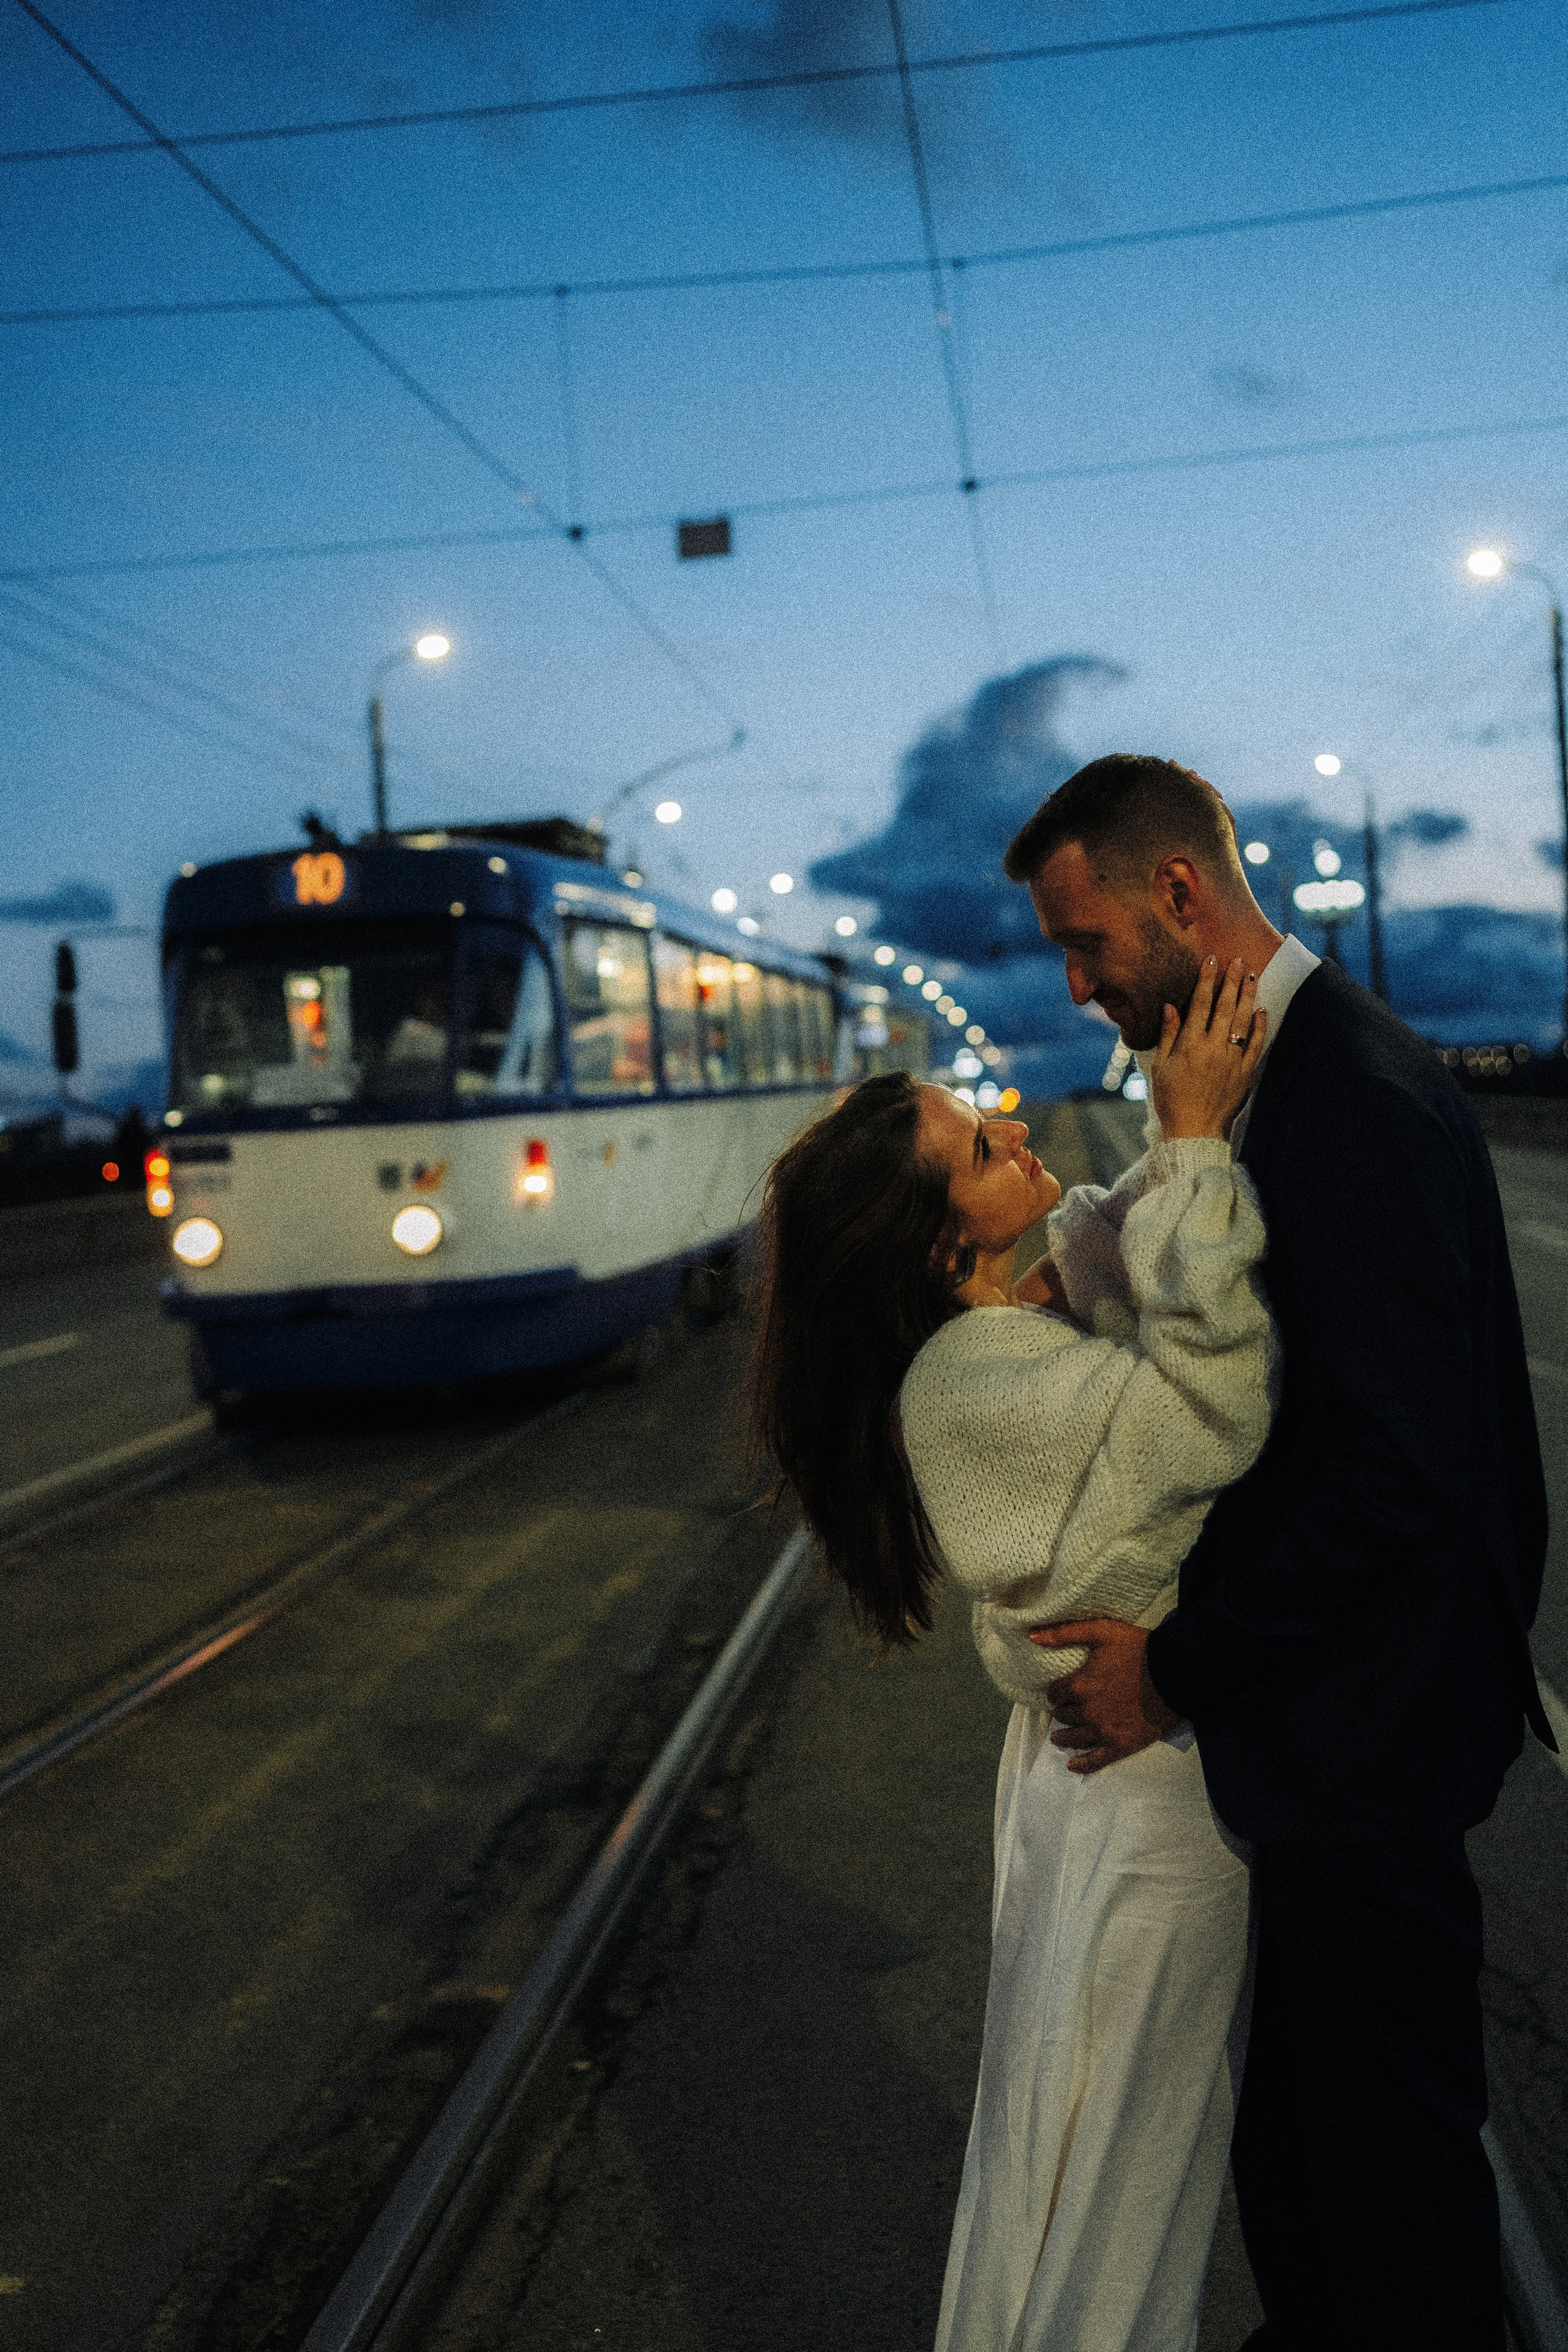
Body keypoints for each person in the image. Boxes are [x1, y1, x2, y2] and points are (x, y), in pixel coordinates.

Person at [1003, 753, 1551, 2352]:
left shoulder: (1349, 1098)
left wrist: (1173, 1668)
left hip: (1366, 1742)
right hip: (1330, 1728)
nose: (1080, 981)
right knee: (1310, 2160)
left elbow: (1392, 1471)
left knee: (1384, 2191)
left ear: (1181, 893)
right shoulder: (1283, 1077)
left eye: (1084, 939)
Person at [750, 960, 1277, 2352]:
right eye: (982, 1147)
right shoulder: (974, 1377)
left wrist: (1167, 1153)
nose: (1017, 1130)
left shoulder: (1010, 1316)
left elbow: (1110, 1248)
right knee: (1109, 2175)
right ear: (938, 1244)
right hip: (1140, 1809)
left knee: (1068, 2142)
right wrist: (1193, 1148)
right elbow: (1214, 1410)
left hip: (1116, 1788)